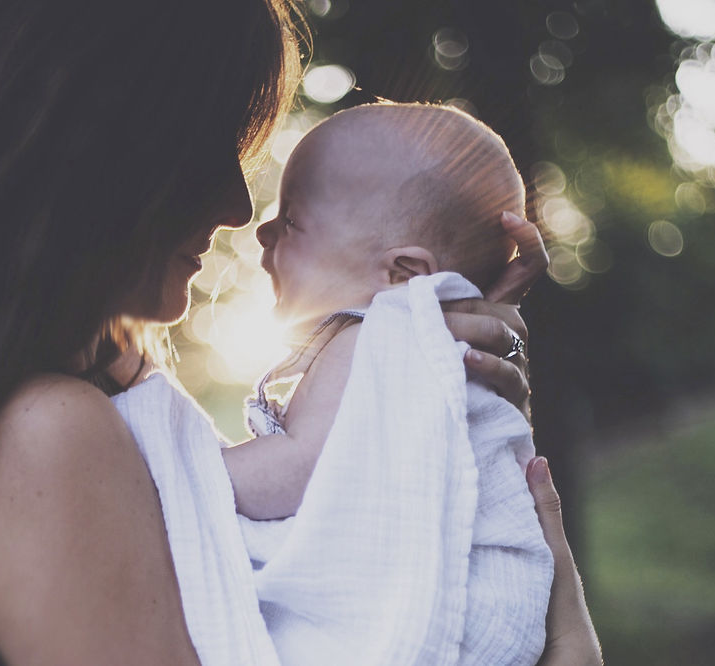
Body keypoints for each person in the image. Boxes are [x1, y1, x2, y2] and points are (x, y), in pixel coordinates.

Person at [0, 2, 600, 665]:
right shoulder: (49, 438)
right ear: (85, 150)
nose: (237, 209)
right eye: (203, 150)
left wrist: (426, 360)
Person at [211, 103, 548, 664]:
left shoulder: (370, 335)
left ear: (402, 276)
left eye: (291, 219)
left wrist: (173, 463)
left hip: (456, 619)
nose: (262, 231)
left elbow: (297, 472)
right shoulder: (423, 351)